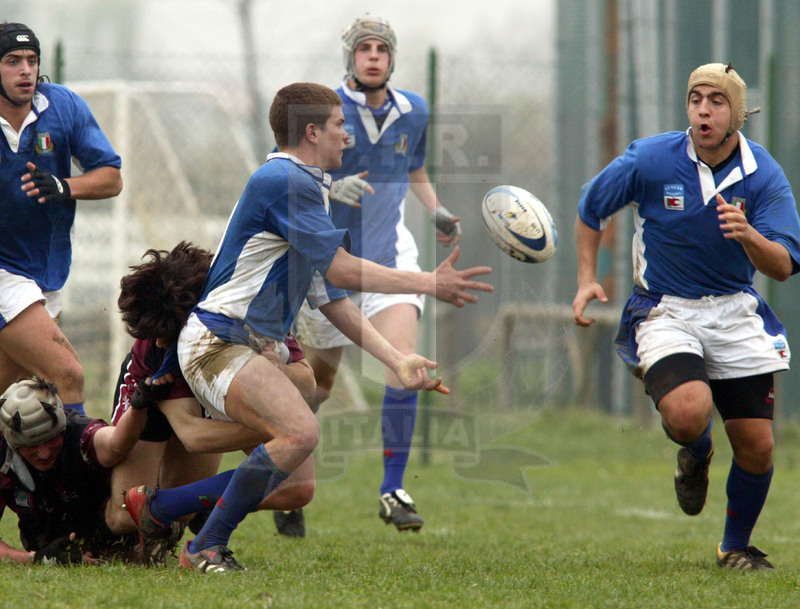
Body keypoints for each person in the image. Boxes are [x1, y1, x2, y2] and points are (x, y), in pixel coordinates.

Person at [123, 82, 492, 573]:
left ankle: (160, 508)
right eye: (340, 126)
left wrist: (397, 359)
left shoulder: (306, 186)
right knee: (300, 432)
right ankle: (205, 547)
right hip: (219, 341)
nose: (348, 137)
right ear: (313, 131)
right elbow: (341, 270)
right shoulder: (286, 181)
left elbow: (330, 295)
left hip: (249, 345)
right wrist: (428, 281)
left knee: (296, 480)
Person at [572, 63, 800, 571]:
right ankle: (696, 453)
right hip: (665, 309)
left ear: (736, 113)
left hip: (735, 309)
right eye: (696, 98)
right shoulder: (651, 158)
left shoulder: (763, 173)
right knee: (688, 412)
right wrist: (588, 276)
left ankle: (734, 546)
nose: (703, 109)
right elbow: (591, 207)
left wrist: (750, 236)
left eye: (716, 101)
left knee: (758, 446)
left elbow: (783, 265)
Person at [290, 14, 463, 535]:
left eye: (381, 49)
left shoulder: (414, 111)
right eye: (364, 48)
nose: (373, 56)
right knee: (315, 386)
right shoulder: (323, 111)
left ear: (391, 58)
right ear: (350, 56)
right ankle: (286, 480)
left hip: (390, 254)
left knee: (403, 362)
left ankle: (392, 489)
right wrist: (326, 189)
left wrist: (433, 208)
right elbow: (286, 173)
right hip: (331, 263)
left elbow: (414, 168)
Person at [106, 242, 317, 563]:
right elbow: (193, 434)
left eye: (167, 334)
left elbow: (308, 383)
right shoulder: (157, 348)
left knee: (297, 488)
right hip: (154, 401)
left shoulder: (253, 315)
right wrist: (282, 433)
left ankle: (176, 505)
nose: (160, 341)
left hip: (214, 387)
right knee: (122, 517)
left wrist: (278, 370)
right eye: (156, 336)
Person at [0, 22, 123, 416]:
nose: (26, 70)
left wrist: (64, 185)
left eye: (32, 60)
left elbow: (111, 177)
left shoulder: (64, 106)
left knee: (11, 394)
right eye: (13, 61)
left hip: (46, 272)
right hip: (5, 273)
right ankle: (78, 475)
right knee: (67, 375)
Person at [0, 378, 146, 564]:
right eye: (32, 446)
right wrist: (37, 558)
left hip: (102, 531)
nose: (44, 453)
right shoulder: (2, 453)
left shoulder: (79, 432)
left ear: (62, 426)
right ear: (13, 444)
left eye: (51, 440)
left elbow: (114, 442)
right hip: (42, 538)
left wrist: (138, 408)